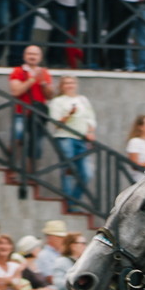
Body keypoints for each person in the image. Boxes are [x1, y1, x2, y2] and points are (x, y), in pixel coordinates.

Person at [47, 76, 96, 210]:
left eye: (72, 82)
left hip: (81, 139)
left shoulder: (83, 100)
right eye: (67, 83)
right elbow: (56, 123)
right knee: (68, 170)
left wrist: (90, 132)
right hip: (65, 137)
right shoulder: (57, 101)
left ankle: (74, 200)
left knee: (87, 173)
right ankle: (69, 203)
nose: (70, 85)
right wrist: (69, 114)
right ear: (62, 86)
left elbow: (90, 118)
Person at [8, 44, 52, 176]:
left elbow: (50, 95)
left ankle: (30, 174)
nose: (32, 57)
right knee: (17, 136)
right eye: (29, 54)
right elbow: (16, 91)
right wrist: (32, 79)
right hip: (21, 112)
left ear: (40, 57)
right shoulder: (18, 71)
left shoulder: (44, 73)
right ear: (24, 56)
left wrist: (43, 83)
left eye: (35, 54)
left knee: (36, 143)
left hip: (37, 115)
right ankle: (12, 169)